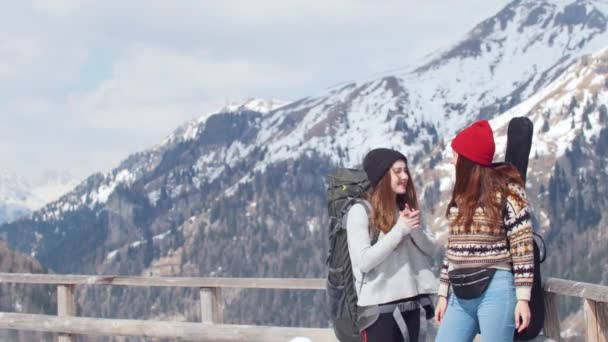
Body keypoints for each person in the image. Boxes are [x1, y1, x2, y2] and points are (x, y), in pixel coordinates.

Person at [434, 120, 533, 341]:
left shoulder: (509, 192)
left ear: (468, 160)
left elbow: (522, 247)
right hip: (459, 293)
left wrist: (523, 298)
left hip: (496, 289)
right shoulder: (460, 197)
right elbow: (452, 249)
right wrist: (443, 294)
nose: (452, 161)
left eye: (455, 155)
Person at [346, 148, 438, 341]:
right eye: (398, 171)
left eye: (405, 170)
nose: (405, 176)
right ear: (382, 175)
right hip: (380, 313)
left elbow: (431, 249)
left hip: (415, 307)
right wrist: (400, 230)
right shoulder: (360, 211)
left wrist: (414, 228)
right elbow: (364, 261)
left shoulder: (407, 208)